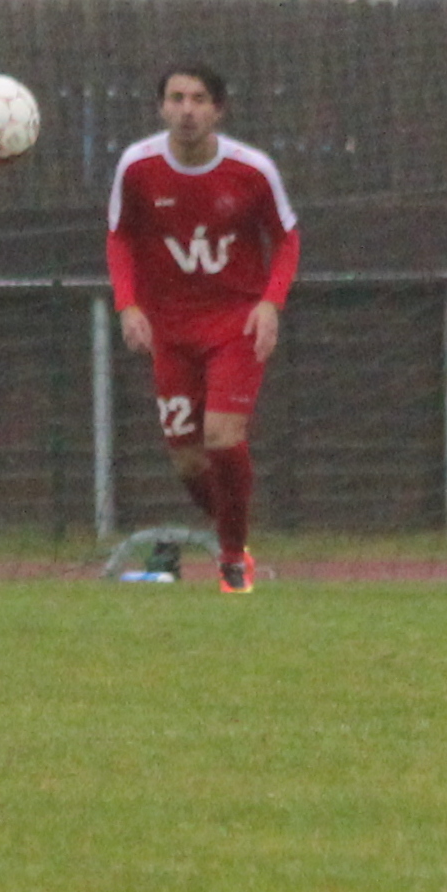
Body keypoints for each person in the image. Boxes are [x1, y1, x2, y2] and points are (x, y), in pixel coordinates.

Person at [106, 62, 301, 594]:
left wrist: (270, 304)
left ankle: (232, 560)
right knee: (188, 460)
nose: (186, 110)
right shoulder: (138, 166)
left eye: (198, 99)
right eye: (176, 98)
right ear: (161, 107)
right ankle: (236, 533)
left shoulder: (252, 170)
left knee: (222, 436)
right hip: (169, 330)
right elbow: (119, 236)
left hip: (234, 322)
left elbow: (287, 238)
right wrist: (128, 305)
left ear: (218, 110)